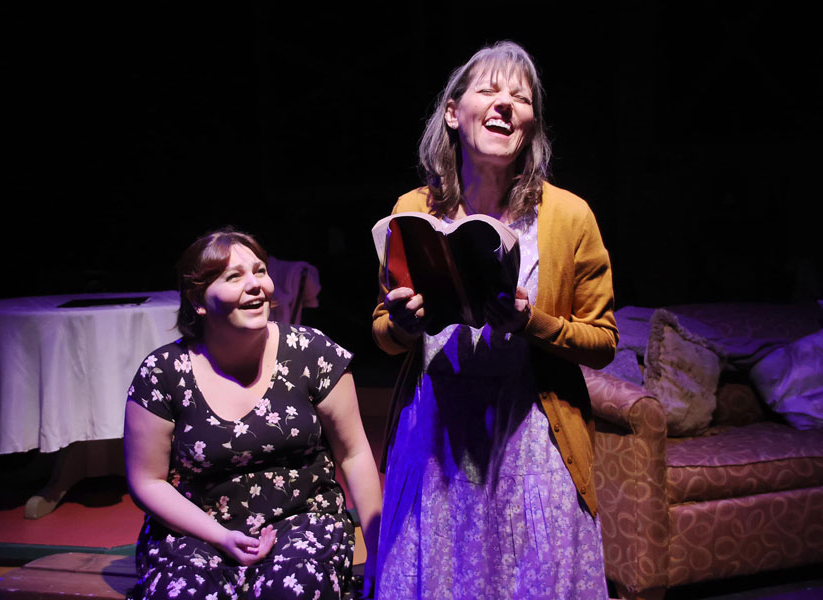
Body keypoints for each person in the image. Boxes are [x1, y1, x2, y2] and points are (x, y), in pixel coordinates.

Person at [372, 41, 618, 599]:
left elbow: (602, 341)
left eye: (520, 97)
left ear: (530, 126)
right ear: (454, 114)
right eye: (489, 90)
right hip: (437, 433)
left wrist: (535, 324)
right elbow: (383, 334)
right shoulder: (413, 209)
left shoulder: (569, 215)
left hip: (530, 433)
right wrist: (405, 325)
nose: (505, 104)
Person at [125, 227, 381, 599]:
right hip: (199, 528)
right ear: (198, 299)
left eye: (259, 271)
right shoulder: (164, 372)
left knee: (295, 589)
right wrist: (222, 537)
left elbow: (354, 453)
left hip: (301, 522)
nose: (256, 285)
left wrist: (376, 552)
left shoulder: (311, 353)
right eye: (234, 277)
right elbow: (147, 481)